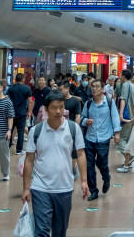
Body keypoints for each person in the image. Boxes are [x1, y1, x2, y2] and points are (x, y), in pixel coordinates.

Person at [22, 90, 88, 237]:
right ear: (46, 109)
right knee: (42, 231)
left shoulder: (73, 128)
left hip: (64, 187)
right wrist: (26, 188)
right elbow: (29, 160)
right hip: (40, 188)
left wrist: (84, 181)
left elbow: (81, 154)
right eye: (54, 107)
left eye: (61, 107)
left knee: (60, 232)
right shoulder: (36, 130)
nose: (58, 111)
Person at [80, 79, 121, 201]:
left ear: (103, 89)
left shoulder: (109, 102)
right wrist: (86, 121)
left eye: (97, 86)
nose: (94, 89)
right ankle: (93, 191)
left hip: (103, 137)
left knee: (102, 163)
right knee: (89, 166)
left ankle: (106, 177)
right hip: (90, 138)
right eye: (93, 87)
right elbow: (82, 118)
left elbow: (114, 117)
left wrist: (117, 133)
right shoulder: (88, 103)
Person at [7, 73, 33, 155]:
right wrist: (29, 111)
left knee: (10, 129)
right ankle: (19, 150)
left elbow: (6, 98)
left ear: (15, 79)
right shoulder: (27, 88)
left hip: (11, 113)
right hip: (22, 113)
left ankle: (7, 146)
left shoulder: (11, 88)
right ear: (23, 79)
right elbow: (30, 100)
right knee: (21, 131)